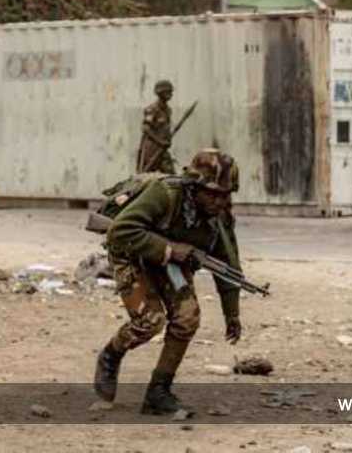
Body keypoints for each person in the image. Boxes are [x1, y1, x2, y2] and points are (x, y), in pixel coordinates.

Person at [93, 149, 244, 415]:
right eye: (212, 193)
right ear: (193, 186)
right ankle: (111, 354)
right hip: (131, 252)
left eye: (225, 194)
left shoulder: (218, 216)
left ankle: (158, 392)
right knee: (150, 321)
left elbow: (228, 264)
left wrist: (232, 313)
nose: (219, 201)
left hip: (172, 261)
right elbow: (120, 231)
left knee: (187, 318)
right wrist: (169, 249)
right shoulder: (165, 194)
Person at [136, 80, 176, 174]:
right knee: (146, 177)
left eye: (171, 92)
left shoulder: (168, 110)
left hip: (163, 150)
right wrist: (160, 141)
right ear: (160, 93)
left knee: (171, 176)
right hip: (151, 151)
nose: (170, 94)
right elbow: (145, 129)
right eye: (167, 92)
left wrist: (167, 139)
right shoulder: (152, 109)